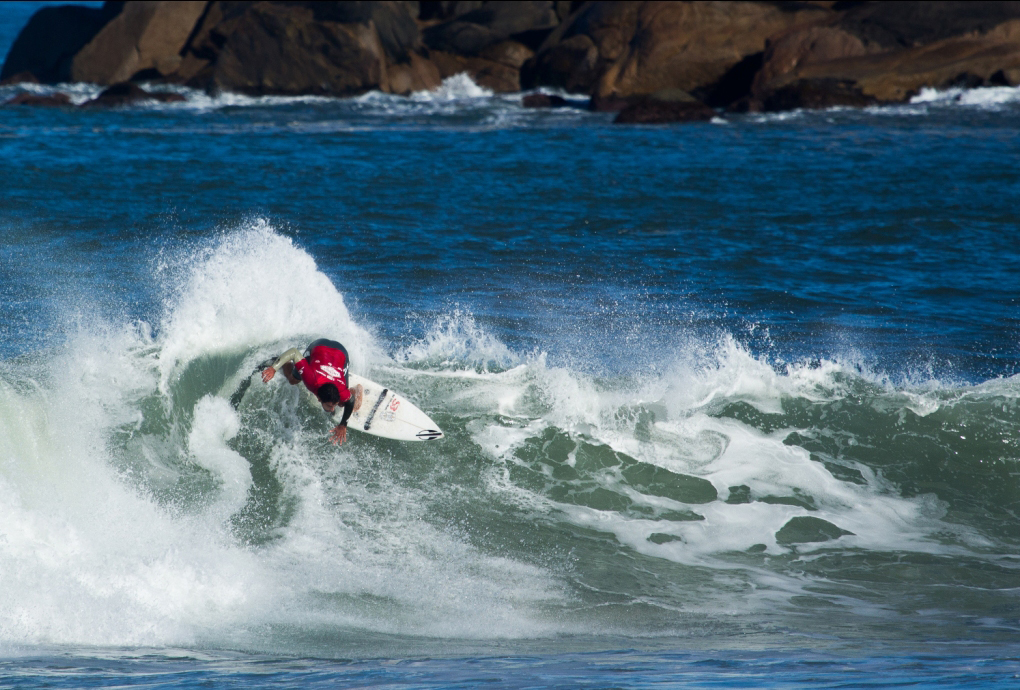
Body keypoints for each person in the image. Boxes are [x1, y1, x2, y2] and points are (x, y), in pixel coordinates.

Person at [261, 338, 363, 445]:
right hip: (319, 346)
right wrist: (274, 368)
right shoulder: (310, 379)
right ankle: (285, 362)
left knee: (344, 403)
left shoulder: (341, 391)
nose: (332, 408)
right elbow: (294, 352)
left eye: (332, 406)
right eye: (329, 406)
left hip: (341, 352)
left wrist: (343, 425)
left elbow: (350, 400)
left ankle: (357, 389)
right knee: (293, 380)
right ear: (319, 398)